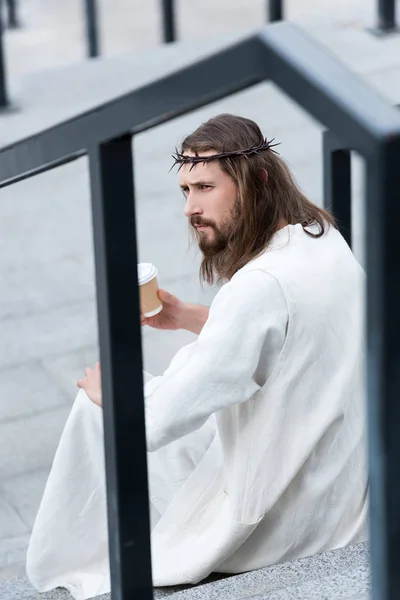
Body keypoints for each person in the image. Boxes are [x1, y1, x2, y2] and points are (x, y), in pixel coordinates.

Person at [26, 114, 368, 600]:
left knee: (98, 410)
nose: (191, 208)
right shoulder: (319, 238)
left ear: (257, 181)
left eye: (205, 187)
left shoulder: (258, 286)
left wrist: (110, 393)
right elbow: (294, 339)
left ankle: (76, 562)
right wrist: (189, 316)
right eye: (185, 191)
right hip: (337, 488)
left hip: (284, 515)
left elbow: (156, 421)